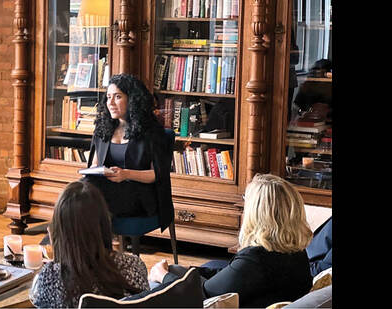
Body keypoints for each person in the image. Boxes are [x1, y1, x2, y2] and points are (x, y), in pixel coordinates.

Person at [149, 174, 314, 308]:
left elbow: (201, 295)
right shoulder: (296, 252)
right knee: (177, 270)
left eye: (245, 199)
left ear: (258, 213)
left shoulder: (256, 259)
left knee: (158, 286)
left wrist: (163, 276)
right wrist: (190, 270)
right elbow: (231, 274)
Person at [30, 181, 149, 308]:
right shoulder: (134, 266)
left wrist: (58, 256)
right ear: (104, 224)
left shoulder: (51, 278)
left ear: (60, 231)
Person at [84, 73, 174, 232]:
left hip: (141, 196)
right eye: (108, 97)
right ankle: (71, 250)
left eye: (117, 97)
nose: (110, 103)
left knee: (84, 201)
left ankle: (70, 250)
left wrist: (126, 174)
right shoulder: (103, 129)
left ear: (132, 100)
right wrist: (97, 170)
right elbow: (95, 164)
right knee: (76, 192)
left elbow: (158, 174)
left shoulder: (152, 132)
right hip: (108, 189)